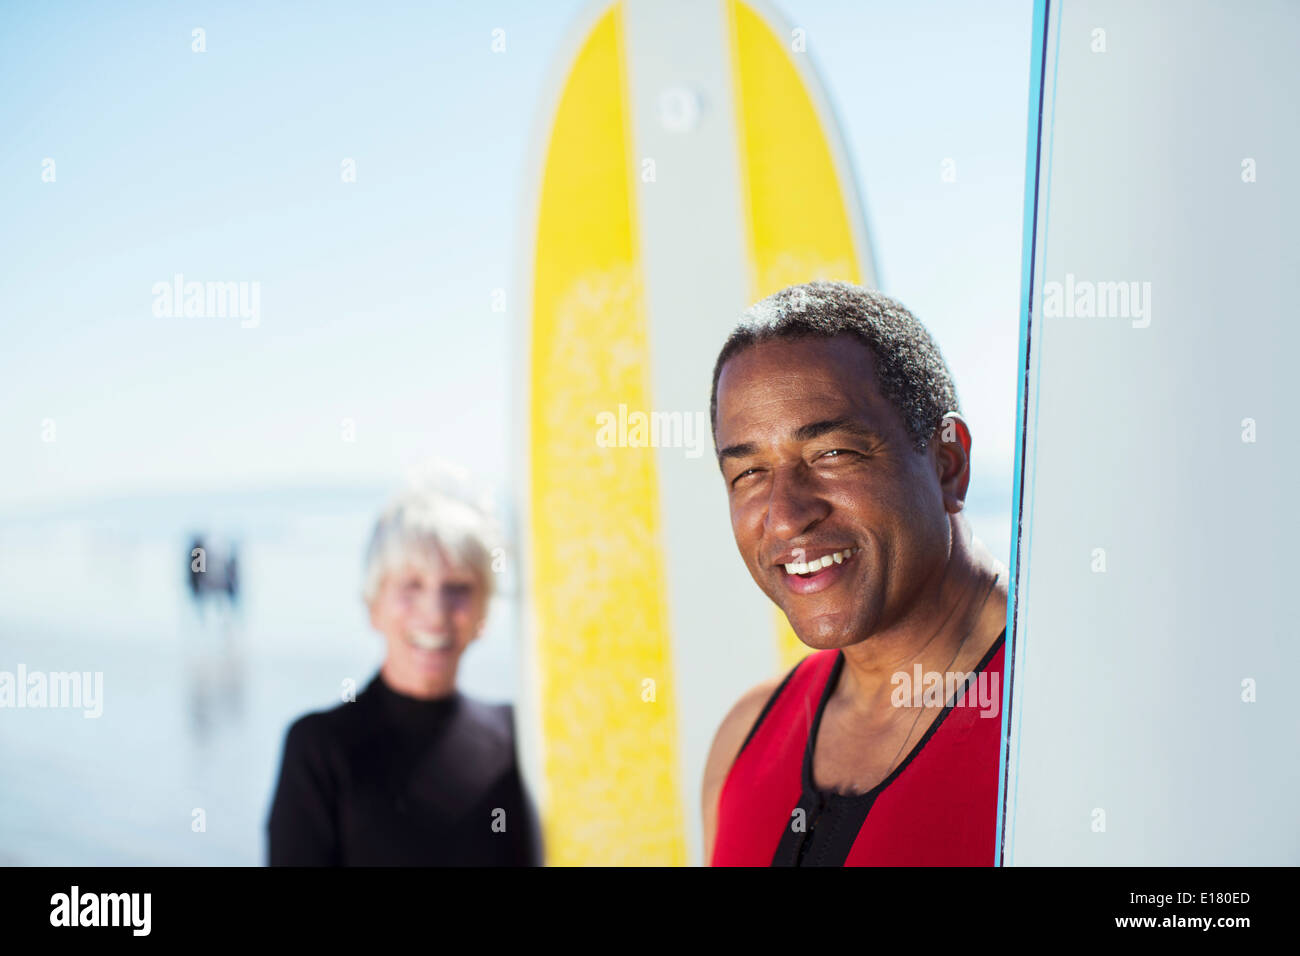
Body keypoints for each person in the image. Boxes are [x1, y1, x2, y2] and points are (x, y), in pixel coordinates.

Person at [702, 280, 1009, 866]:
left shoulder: (1077, 707)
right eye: (750, 474)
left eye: (833, 454)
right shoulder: (745, 740)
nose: (786, 516)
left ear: (949, 463)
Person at [267, 467, 542, 866]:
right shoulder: (320, 750)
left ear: (486, 610)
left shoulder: (520, 738)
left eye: (459, 588)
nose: (436, 613)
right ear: (372, 604)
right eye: (411, 585)